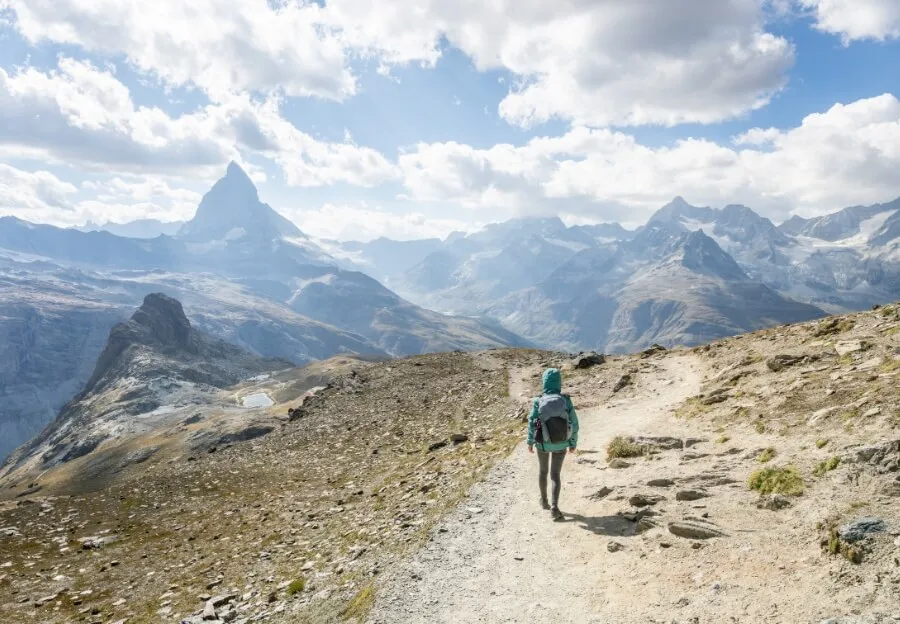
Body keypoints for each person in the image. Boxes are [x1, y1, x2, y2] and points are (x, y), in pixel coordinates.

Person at [527, 367, 579, 521]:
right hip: (561, 443)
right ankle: (555, 508)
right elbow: (575, 424)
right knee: (555, 475)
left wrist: (530, 441)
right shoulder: (565, 400)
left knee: (543, 472)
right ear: (559, 383)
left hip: (543, 443)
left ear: (544, 382)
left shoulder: (538, 401)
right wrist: (572, 443)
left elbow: (531, 423)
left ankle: (544, 501)